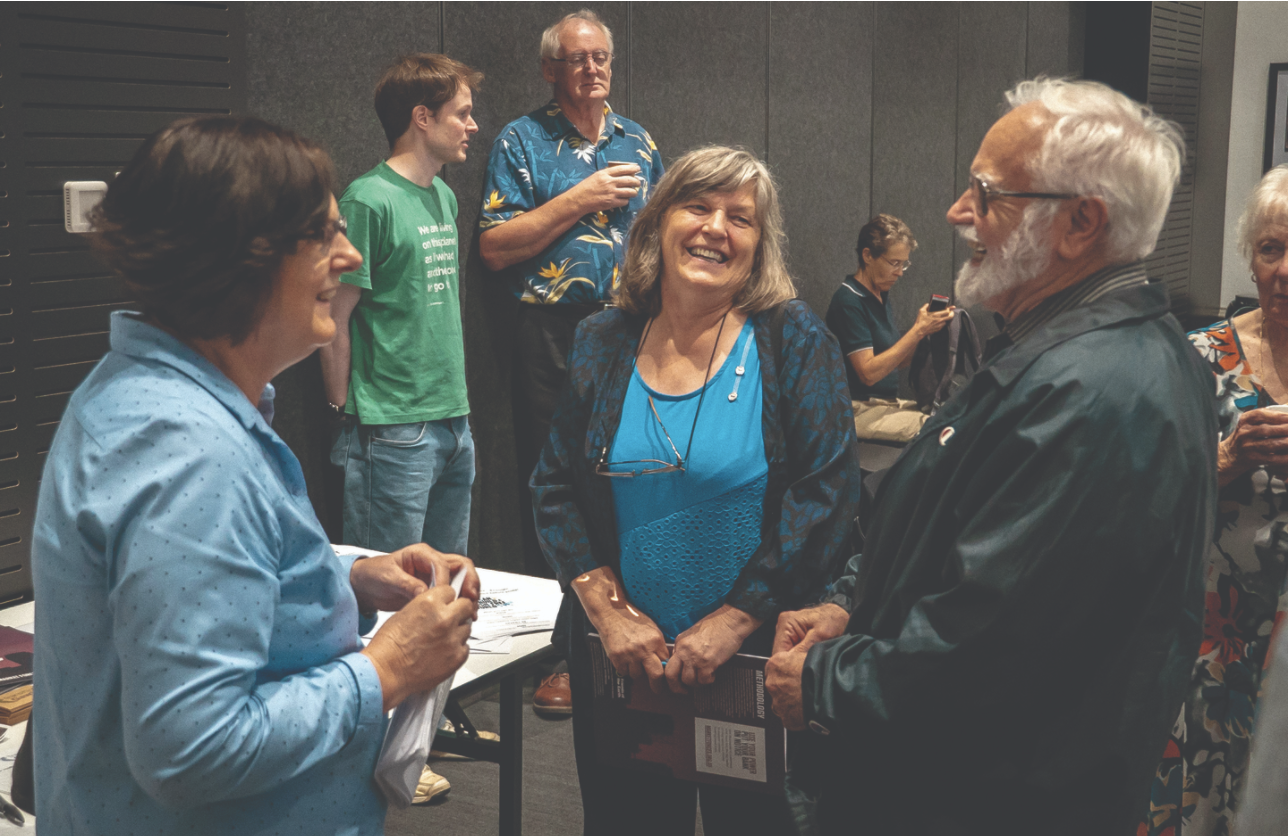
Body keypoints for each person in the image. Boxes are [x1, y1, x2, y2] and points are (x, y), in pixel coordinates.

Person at [764, 78, 1218, 835]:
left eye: (988, 193)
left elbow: (987, 650)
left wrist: (823, 684)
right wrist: (853, 603)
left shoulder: (1093, 393)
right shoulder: (1074, 352)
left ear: (1081, 224)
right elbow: (959, 537)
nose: (957, 212)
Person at [31, 116, 480, 834]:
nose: (350, 255)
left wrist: (350, 577)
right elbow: (191, 749)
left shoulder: (149, 394)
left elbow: (194, 578)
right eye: (327, 235)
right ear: (246, 256)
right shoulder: (190, 452)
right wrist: (388, 668)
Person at [531, 145, 861, 836]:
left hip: (753, 666)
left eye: (739, 218)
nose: (717, 227)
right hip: (628, 667)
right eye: (698, 206)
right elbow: (555, 486)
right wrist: (609, 612)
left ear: (758, 246)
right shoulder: (601, 338)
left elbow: (826, 496)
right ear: (656, 224)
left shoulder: (794, 339)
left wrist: (737, 618)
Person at [478, 8, 664, 715]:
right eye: (578, 59)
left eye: (601, 58)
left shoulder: (638, 141)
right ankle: (564, 648)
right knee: (559, 482)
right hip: (552, 332)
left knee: (632, 474)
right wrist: (581, 198)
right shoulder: (523, 141)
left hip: (633, 331)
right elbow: (496, 246)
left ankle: (632, 620)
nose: (592, 69)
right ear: (551, 68)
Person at [1142, 164, 1288, 836]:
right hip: (1215, 631)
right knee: (1199, 799)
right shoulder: (1202, 357)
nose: (1284, 269)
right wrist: (1232, 457)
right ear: (1250, 258)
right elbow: (1148, 497)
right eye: (1271, 248)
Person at [321, 53, 481, 560]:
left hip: (454, 420)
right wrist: (344, 410)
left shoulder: (444, 197)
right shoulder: (368, 200)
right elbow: (333, 316)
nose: (472, 126)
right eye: (462, 113)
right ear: (422, 117)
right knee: (388, 595)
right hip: (392, 429)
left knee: (444, 589)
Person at [825, 214, 953, 402]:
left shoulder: (880, 295)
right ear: (867, 255)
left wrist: (926, 330)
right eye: (894, 263)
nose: (900, 273)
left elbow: (899, 362)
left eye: (904, 264)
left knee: (945, 415)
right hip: (857, 407)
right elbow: (868, 374)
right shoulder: (848, 300)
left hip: (885, 404)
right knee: (932, 426)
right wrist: (917, 331)